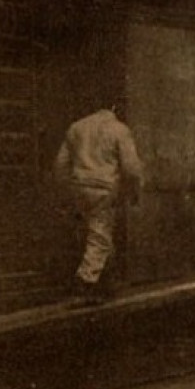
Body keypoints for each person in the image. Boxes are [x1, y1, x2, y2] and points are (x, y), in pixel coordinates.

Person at [55, 104, 144, 303]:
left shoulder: (76, 127)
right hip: (103, 189)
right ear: (114, 109)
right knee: (100, 235)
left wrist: (67, 191)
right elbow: (131, 168)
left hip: (78, 186)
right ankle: (85, 282)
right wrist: (134, 192)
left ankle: (105, 285)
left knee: (91, 234)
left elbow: (61, 164)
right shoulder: (119, 130)